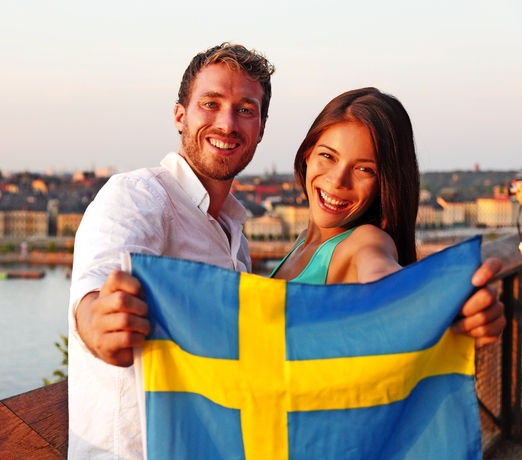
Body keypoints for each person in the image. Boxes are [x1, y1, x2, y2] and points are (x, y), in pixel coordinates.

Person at [68, 44, 506, 460]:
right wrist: (98, 320)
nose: (227, 123)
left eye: (245, 110)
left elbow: (381, 276)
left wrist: (436, 303)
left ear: (260, 128)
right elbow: (95, 284)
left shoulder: (358, 240)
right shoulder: (140, 196)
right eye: (211, 103)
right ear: (180, 114)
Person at [270, 87, 419, 284]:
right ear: (308, 153)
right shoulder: (302, 241)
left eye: (364, 169)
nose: (338, 180)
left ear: (384, 184)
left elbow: (381, 272)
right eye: (328, 156)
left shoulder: (365, 241)